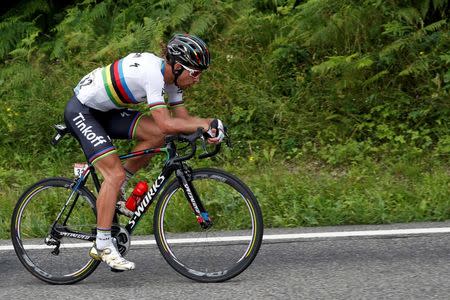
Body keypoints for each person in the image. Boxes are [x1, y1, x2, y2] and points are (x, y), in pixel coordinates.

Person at [64, 34, 225, 271]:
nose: (198, 79)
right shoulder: (154, 73)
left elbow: (182, 120)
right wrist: (204, 124)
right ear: (179, 67)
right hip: (83, 111)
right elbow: (167, 123)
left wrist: (205, 128)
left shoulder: (173, 81)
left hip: (105, 111)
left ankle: (118, 186)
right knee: (114, 173)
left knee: (156, 135)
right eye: (195, 73)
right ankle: (102, 245)